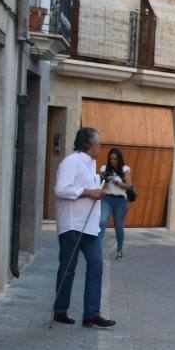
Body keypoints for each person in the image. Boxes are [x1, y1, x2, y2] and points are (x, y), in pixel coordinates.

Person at [53, 127, 115, 329]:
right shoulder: (72, 162)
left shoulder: (92, 165)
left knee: (96, 265)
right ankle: (60, 311)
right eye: (98, 144)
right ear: (89, 145)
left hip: (90, 226)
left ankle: (91, 314)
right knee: (68, 267)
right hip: (73, 224)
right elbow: (61, 189)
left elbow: (90, 191)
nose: (100, 147)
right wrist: (88, 192)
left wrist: (99, 192)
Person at [99, 147, 132, 261]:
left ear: (119, 159)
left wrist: (116, 181)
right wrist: (102, 178)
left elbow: (128, 185)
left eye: (115, 159)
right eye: (111, 159)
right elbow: (100, 185)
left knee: (118, 227)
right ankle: (97, 249)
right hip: (107, 199)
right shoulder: (104, 168)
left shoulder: (125, 169)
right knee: (102, 221)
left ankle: (119, 250)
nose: (113, 161)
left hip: (120, 201)